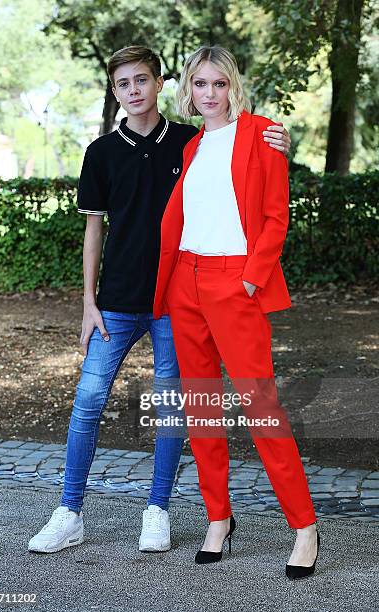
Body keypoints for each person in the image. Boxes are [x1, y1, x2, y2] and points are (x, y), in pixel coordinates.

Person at [28, 45, 292, 555]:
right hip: (117, 302)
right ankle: (68, 511)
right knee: (87, 402)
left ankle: (158, 509)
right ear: (115, 91)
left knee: (174, 408)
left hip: (177, 298)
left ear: (160, 83)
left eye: (142, 80)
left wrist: (278, 138)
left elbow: (244, 156)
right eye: (123, 83)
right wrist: (88, 301)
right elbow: (93, 231)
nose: (134, 90)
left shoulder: (193, 142)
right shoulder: (100, 153)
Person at [153, 45, 320, 579]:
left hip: (235, 283)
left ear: (234, 87)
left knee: (260, 405)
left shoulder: (261, 134)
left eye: (218, 84)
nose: (209, 94)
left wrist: (250, 278)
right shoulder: (192, 145)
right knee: (201, 407)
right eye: (199, 84)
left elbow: (275, 216)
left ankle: (305, 526)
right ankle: (218, 519)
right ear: (188, 89)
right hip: (186, 282)